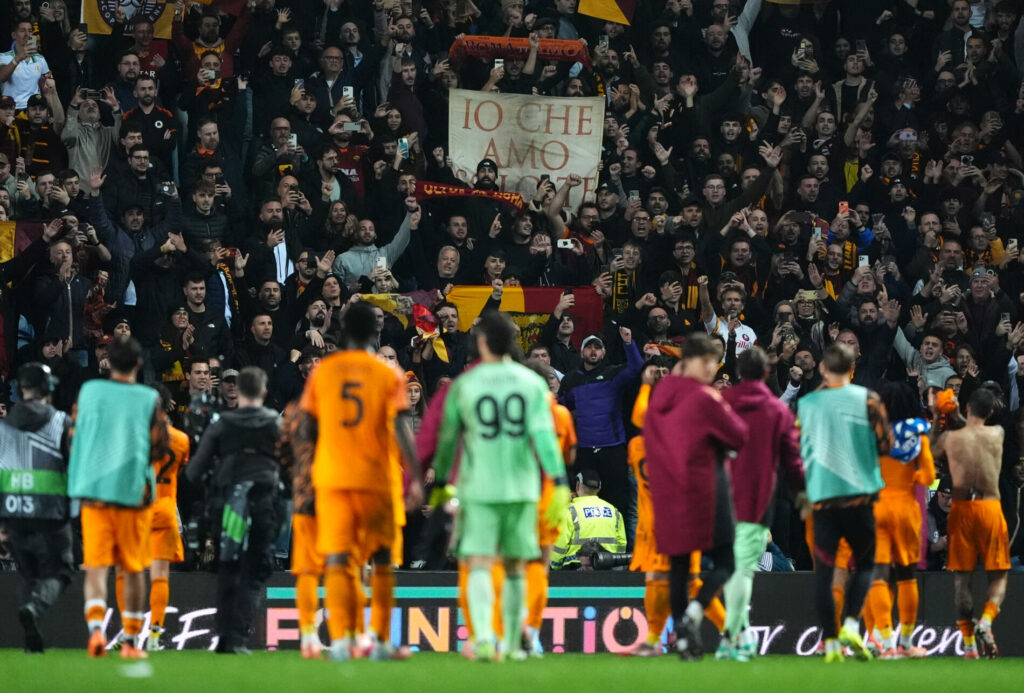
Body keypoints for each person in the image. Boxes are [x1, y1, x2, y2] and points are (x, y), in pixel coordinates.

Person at [434, 311, 570, 661]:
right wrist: (558, 482)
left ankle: (482, 638)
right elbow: (544, 438)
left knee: (479, 562)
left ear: (481, 342)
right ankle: (512, 642)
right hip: (523, 489)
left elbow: (448, 439)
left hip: (478, 488)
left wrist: (442, 485)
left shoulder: (466, 383)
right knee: (515, 567)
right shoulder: (531, 384)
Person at [294, 301, 423, 661]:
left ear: (345, 330)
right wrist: (413, 477)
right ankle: (379, 639)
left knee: (337, 559)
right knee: (381, 560)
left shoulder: (324, 372)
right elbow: (402, 427)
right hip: (377, 479)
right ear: (373, 332)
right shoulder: (389, 373)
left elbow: (306, 426)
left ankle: (341, 640)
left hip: (333, 477)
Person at [644, 333, 749, 660]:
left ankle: (685, 642)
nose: (711, 369)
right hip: (705, 487)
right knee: (726, 561)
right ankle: (693, 615)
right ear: (687, 362)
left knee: (679, 566)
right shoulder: (706, 398)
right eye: (707, 362)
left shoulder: (658, 395)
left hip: (666, 491)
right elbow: (739, 435)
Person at [67, 337, 168, 659]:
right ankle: (130, 642)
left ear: (109, 361)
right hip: (132, 493)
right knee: (134, 569)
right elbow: (160, 446)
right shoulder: (149, 398)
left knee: (96, 568)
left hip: (93, 491)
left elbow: (73, 436)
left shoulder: (89, 392)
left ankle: (96, 631)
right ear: (138, 365)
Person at [797, 343, 891, 663]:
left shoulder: (808, 404)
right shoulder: (869, 399)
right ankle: (852, 622)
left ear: (823, 368)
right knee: (866, 563)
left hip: (824, 500)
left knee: (824, 574)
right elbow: (885, 444)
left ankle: (832, 644)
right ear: (852, 368)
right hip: (861, 497)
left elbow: (800, 448)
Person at [185, 367, 281, 655]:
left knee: (228, 567)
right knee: (254, 570)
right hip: (264, 503)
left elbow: (193, 471)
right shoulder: (275, 424)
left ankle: (225, 637)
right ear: (263, 393)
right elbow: (292, 467)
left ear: (239, 391)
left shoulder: (222, 423)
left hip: (229, 505)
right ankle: (238, 638)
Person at [720, 348, 805, 661]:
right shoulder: (776, 409)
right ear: (766, 374)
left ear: (740, 371)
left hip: (723, 494)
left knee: (730, 566)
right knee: (742, 568)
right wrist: (801, 489)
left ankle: (734, 637)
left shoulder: (723, 401)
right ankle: (736, 639)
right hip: (758, 497)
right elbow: (792, 457)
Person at [0, 363, 72, 653]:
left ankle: (32, 641)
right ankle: (35, 608)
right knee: (62, 570)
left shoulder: (3, 428)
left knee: (29, 574)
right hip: (50, 513)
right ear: (48, 389)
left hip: (14, 512)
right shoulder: (61, 422)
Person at [862, 382, 935, 659]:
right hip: (905, 509)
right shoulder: (917, 434)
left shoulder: (872, 433)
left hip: (875, 507)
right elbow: (927, 476)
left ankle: (885, 642)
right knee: (905, 575)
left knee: (878, 574)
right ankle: (905, 642)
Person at [936, 388, 1010, 659]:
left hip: (961, 510)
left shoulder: (952, 437)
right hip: (990, 507)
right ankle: (987, 621)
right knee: (999, 575)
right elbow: (977, 431)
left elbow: (932, 450)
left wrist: (942, 416)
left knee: (962, 580)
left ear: (967, 407)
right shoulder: (997, 434)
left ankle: (968, 646)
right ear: (990, 412)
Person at [551, 469, 626, 570]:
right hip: (607, 569)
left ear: (578, 485)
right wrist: (614, 564)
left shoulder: (570, 511)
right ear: (599, 488)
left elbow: (560, 545)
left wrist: (554, 567)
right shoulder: (614, 511)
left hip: (576, 570)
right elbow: (621, 543)